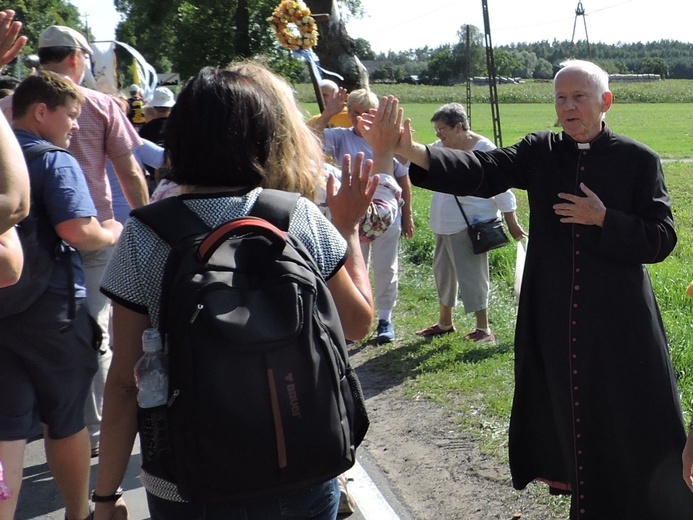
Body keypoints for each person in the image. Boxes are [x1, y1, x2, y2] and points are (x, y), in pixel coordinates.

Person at [359, 60, 693, 519]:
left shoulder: (640, 160)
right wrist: (412, 151)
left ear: (605, 101)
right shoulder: (541, 150)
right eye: (560, 98)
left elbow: (662, 239)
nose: (569, 106)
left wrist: (605, 220)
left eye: (579, 97)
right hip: (555, 311)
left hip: (621, 321)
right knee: (569, 415)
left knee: (629, 420)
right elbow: (483, 169)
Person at [92, 64, 376, 519]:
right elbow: (359, 324)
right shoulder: (296, 216)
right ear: (266, 136)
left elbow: (126, 383)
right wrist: (349, 229)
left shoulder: (147, 234)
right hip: (303, 471)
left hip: (189, 484)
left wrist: (105, 497)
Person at [0, 25, 150, 458]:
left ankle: (36, 415)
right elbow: (130, 171)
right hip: (89, 236)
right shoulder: (99, 105)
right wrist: (140, 224)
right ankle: (90, 430)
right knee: (91, 335)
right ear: (75, 58)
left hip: (17, 245)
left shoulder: (7, 108)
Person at [0, 70, 122, 520]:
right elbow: (77, 230)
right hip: (52, 314)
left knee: (7, 428)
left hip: (3, 312)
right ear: (40, 111)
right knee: (66, 416)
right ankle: (79, 513)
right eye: (70, 117)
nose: (74, 126)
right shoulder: (53, 160)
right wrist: (110, 233)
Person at [415, 103, 526, 341]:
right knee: (443, 275)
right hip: (442, 224)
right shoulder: (440, 148)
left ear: (460, 127)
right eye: (436, 129)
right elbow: (419, 158)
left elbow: (503, 190)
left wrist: (512, 223)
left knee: (473, 277)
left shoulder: (484, 149)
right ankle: (445, 323)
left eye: (442, 128)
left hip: (470, 225)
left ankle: (484, 329)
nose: (438, 134)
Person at [321, 88, 414, 343]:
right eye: (352, 111)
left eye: (363, 113)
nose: (356, 117)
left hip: (388, 213)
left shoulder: (387, 141)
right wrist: (327, 113)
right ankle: (355, 318)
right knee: (354, 265)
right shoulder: (338, 137)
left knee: (387, 267)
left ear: (374, 114)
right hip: (351, 214)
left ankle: (385, 318)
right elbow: (307, 140)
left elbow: (403, 180)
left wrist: (407, 215)